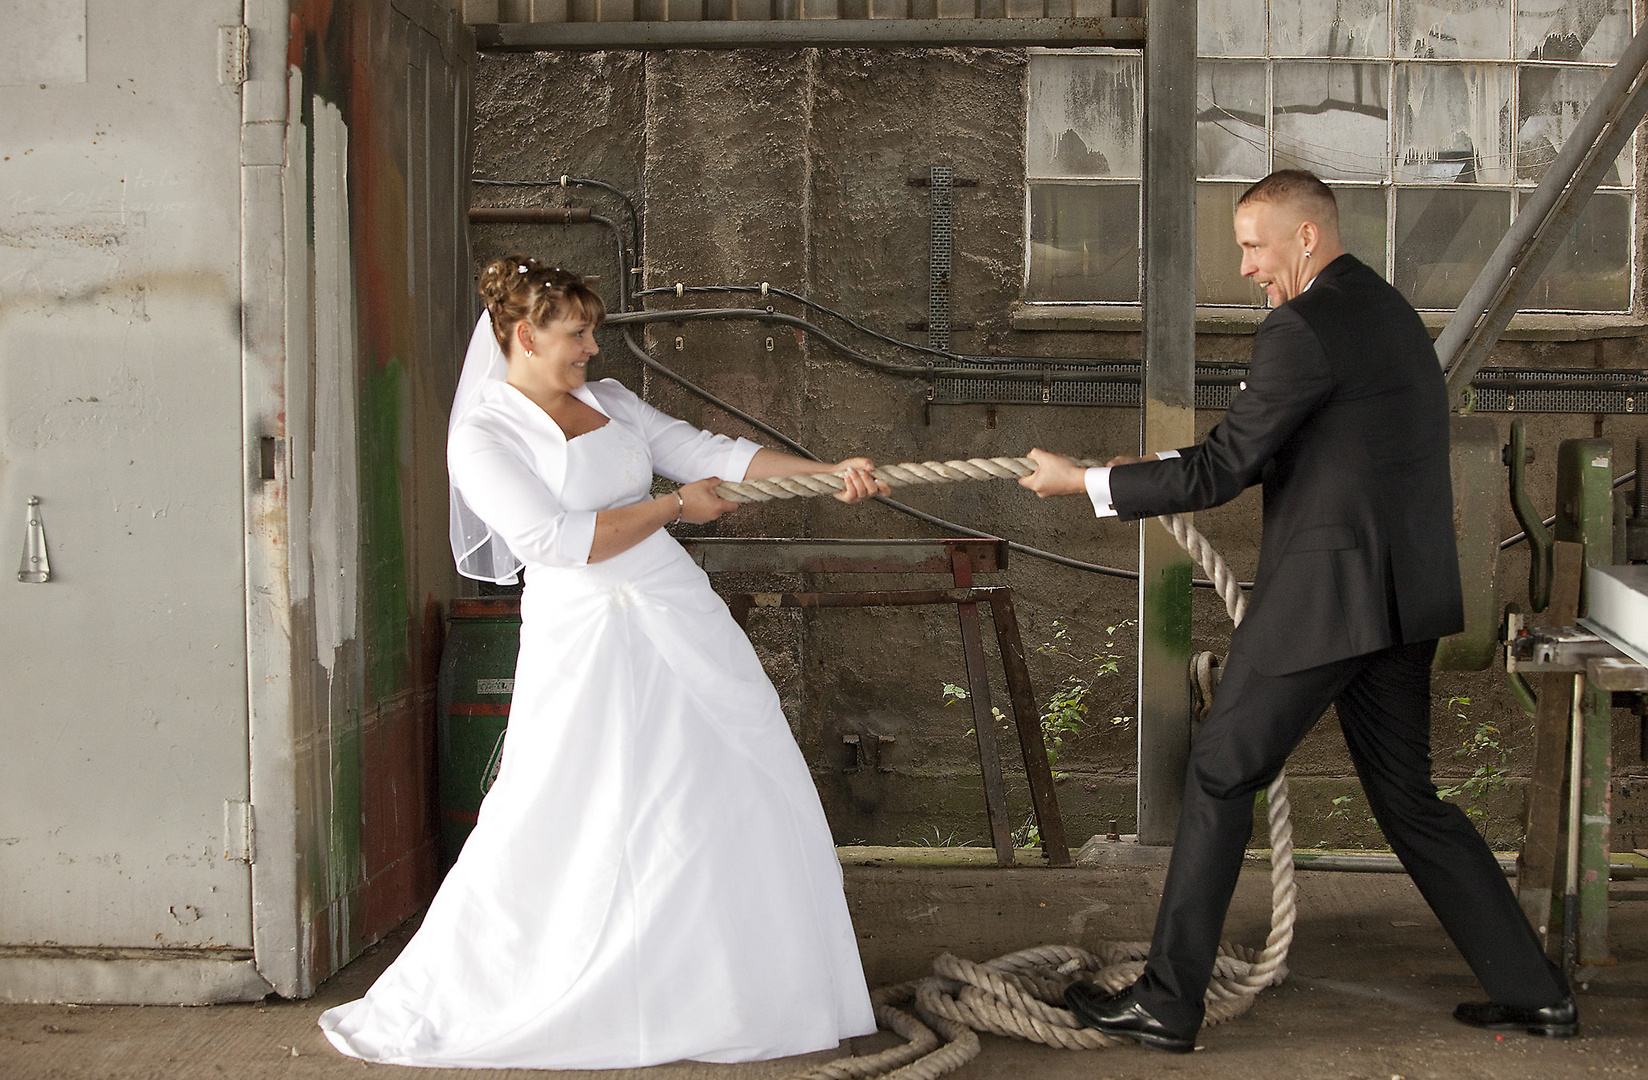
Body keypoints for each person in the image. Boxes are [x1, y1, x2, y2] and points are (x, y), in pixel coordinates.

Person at [1019, 170, 1576, 1052]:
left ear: (1305, 238)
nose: (1245, 268)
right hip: (1402, 600)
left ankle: (1167, 1003)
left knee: (1218, 772)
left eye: (1253, 246)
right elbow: (1292, 439)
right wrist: (1140, 466)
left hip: (1329, 602)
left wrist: (1083, 483)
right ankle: (1535, 992)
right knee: (1410, 800)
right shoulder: (1383, 311)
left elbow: (1222, 471)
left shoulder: (1300, 326)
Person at [319, 256, 883, 1069]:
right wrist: (670, 508)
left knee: (724, 784)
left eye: (592, 331)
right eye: (577, 332)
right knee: (582, 799)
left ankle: (727, 987)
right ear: (523, 334)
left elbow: (705, 451)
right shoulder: (484, 434)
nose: (592, 347)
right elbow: (551, 541)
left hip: (678, 614)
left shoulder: (607, 401)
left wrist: (824, 476)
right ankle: (573, 985)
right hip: (586, 633)